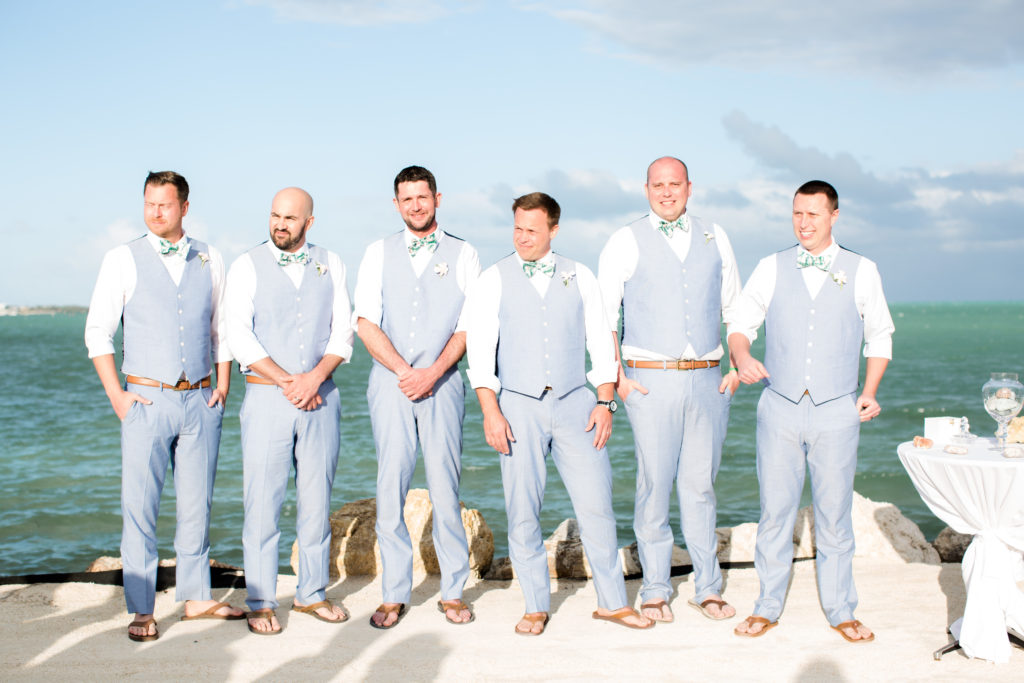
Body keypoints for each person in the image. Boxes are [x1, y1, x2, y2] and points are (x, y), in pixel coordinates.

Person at [463, 192, 653, 635]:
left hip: (576, 404)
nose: (523, 237)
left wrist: (604, 402)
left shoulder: (579, 275)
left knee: (597, 507)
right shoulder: (493, 279)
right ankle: (534, 605)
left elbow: (600, 345)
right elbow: (480, 356)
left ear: (553, 229)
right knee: (523, 509)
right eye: (517, 228)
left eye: (532, 229)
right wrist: (492, 413)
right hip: (517, 406)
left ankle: (611, 602)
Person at [728, 180, 894, 642]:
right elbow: (741, 324)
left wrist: (870, 390)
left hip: (837, 409)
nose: (804, 223)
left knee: (834, 515)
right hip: (778, 407)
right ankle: (766, 606)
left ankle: (842, 609)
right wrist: (742, 357)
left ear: (834, 216)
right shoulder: (771, 266)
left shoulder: (862, 270)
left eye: (813, 215)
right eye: (797, 214)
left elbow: (879, 336)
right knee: (775, 513)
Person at [85, 171, 244, 642]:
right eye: (150, 204)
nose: (156, 213)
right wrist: (117, 395)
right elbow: (97, 331)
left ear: (185, 207)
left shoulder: (210, 256)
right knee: (140, 507)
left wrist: (223, 386)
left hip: (200, 398)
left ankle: (195, 598)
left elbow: (221, 327)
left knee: (197, 505)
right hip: (145, 399)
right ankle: (141, 607)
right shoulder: (122, 259)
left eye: (165, 205)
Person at [597, 156, 742, 623]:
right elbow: (603, 318)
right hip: (649, 379)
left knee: (700, 488)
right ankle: (656, 589)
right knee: (654, 485)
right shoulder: (624, 240)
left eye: (674, 184)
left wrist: (736, 366)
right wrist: (618, 377)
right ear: (646, 189)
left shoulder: (715, 235)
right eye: (658, 185)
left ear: (689, 187)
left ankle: (708, 587)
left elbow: (735, 309)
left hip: (707, 376)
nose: (666, 192)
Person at [353, 166, 481, 629]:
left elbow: (470, 326)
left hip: (443, 382)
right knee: (391, 486)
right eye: (406, 199)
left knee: (446, 488)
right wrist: (406, 372)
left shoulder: (464, 253)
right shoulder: (376, 253)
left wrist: (432, 372)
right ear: (396, 204)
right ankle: (394, 593)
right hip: (391, 382)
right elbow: (366, 322)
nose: (415, 205)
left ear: (437, 198)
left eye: (422, 197)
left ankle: (452, 591)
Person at [224, 187, 354, 635]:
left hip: (322, 397)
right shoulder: (246, 265)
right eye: (275, 216)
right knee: (262, 502)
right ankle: (260, 599)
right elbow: (238, 334)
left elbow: (343, 332)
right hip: (266, 398)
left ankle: (311, 593)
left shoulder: (331, 263)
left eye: (291, 218)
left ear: (309, 222)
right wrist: (288, 381)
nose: (281, 224)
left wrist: (314, 378)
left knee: (317, 500)